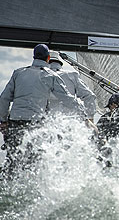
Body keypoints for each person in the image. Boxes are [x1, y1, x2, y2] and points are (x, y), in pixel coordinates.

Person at [0, 44, 85, 173]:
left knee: (12, 158)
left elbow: (4, 98)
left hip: (15, 121)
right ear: (48, 58)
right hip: (35, 123)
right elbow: (67, 98)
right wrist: (84, 114)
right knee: (33, 160)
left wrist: (3, 120)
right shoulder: (51, 76)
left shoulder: (18, 73)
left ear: (34, 56)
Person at [48, 51, 97, 118]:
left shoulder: (38, 77)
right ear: (59, 63)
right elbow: (89, 96)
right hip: (70, 122)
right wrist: (90, 117)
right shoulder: (72, 75)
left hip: (47, 123)